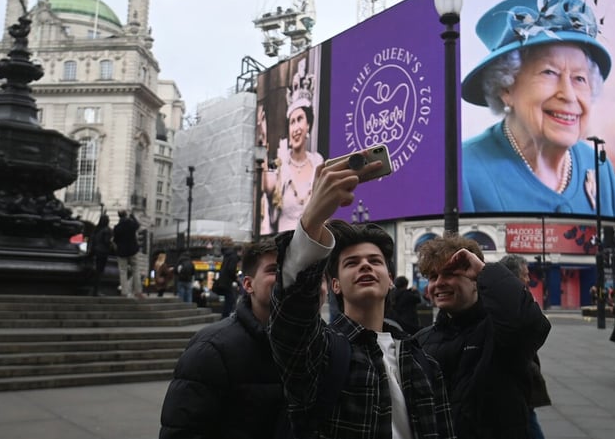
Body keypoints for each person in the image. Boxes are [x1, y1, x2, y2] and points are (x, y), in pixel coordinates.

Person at [269, 156, 456, 439]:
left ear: (390, 279)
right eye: (351, 263)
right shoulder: (322, 351)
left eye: (375, 261)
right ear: (335, 285)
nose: (365, 266)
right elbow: (290, 319)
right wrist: (313, 219)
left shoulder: (423, 361)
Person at [460, 0, 615, 216]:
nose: (568, 95)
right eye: (549, 72)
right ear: (505, 88)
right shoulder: (464, 171)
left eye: (579, 78)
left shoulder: (598, 166)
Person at [414, 238, 551, 439]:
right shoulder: (420, 340)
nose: (439, 283)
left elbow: (530, 324)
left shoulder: (500, 332)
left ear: (476, 280)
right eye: (433, 276)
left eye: (450, 274)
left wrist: (485, 271)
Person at [160, 239, 292, 438]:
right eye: (273, 270)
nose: (284, 277)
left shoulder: (312, 344)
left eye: (288, 269)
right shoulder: (211, 349)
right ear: (248, 284)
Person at [260, 56, 324, 234]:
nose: (295, 127)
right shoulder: (280, 162)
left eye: (300, 120)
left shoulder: (318, 163)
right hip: (283, 245)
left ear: (308, 125)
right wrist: (263, 140)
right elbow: (267, 186)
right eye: (292, 122)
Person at [499, 254, 552, 439]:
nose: (528, 279)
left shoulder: (516, 300)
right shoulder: (509, 304)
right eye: (525, 274)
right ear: (513, 277)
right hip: (512, 386)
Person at [112, 210, 143, 298]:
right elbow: (138, 225)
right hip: (133, 250)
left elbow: (115, 240)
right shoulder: (131, 224)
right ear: (126, 215)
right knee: (136, 270)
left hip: (122, 252)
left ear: (119, 216)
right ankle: (138, 291)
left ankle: (124, 292)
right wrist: (132, 216)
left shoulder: (117, 227)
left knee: (123, 271)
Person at [213, 247, 241, 318]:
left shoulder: (227, 256)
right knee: (230, 299)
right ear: (239, 251)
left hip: (223, 281)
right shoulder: (234, 257)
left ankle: (225, 315)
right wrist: (236, 279)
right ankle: (225, 316)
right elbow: (231, 269)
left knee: (229, 299)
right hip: (226, 282)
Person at [89, 214, 112, 296]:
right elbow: (107, 241)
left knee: (97, 271)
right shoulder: (107, 230)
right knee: (100, 271)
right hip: (103, 252)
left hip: (96, 251)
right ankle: (97, 290)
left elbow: (92, 241)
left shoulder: (97, 229)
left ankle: (94, 290)